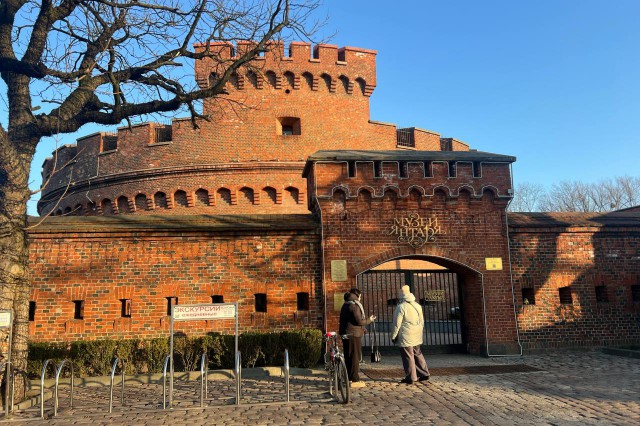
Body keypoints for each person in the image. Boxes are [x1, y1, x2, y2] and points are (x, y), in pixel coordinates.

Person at [390, 285, 430, 384]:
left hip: (406, 335)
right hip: (416, 333)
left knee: (408, 355)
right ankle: (424, 373)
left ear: (401, 294)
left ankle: (411, 377)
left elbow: (396, 324)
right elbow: (422, 321)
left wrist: (393, 336)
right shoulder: (417, 305)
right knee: (417, 353)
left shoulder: (401, 307)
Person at [339, 288, 376, 388]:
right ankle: (354, 379)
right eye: (360, 296)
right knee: (354, 357)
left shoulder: (346, 304)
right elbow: (359, 321)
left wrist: (361, 329)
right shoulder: (353, 306)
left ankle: (348, 378)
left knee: (349, 357)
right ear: (357, 296)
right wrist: (369, 320)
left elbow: (351, 321)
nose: (360, 298)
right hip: (353, 335)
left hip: (348, 334)